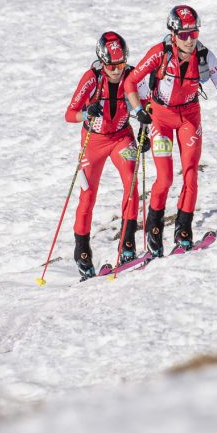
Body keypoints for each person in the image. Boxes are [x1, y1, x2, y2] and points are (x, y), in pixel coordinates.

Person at [124, 5, 217, 256]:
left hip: (189, 117)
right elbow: (130, 81)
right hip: (161, 119)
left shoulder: (206, 56)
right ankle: (154, 230)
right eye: (184, 35)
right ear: (173, 34)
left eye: (194, 33)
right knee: (165, 178)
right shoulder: (159, 53)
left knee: (191, 175)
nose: (189, 40)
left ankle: (183, 230)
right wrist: (139, 111)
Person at [65, 31, 150, 280]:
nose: (116, 70)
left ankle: (127, 245)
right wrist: (86, 113)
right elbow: (70, 114)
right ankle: (82, 252)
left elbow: (147, 106)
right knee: (87, 195)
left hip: (122, 137)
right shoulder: (91, 79)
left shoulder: (132, 76)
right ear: (102, 62)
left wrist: (145, 132)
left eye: (121, 64)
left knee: (132, 185)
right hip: (94, 140)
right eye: (112, 65)